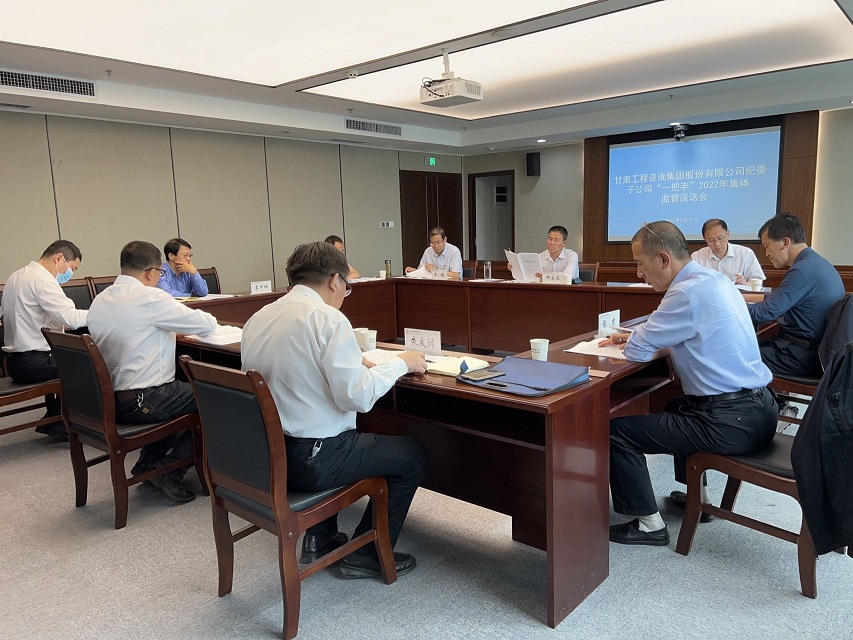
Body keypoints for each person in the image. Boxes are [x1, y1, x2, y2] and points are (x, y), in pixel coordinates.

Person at [242, 241, 429, 578]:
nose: (345, 293)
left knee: (330, 424)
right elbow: (359, 397)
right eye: (347, 286)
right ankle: (368, 554)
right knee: (412, 454)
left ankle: (320, 537)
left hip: (267, 458)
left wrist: (354, 362)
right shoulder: (329, 319)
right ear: (334, 280)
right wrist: (402, 363)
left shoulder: (258, 318)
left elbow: (297, 371)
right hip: (312, 461)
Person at [599, 221, 777, 546]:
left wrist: (636, 339)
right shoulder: (717, 280)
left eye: (640, 263)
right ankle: (699, 499)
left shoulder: (684, 292)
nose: (639, 273)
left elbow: (637, 351)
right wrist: (653, 339)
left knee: (615, 433)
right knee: (677, 406)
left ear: (663, 259)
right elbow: (698, 335)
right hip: (762, 409)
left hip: (728, 422)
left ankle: (649, 525)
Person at [87, 241, 218, 503]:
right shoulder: (151, 298)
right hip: (144, 399)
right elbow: (207, 324)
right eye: (159, 273)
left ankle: (148, 464)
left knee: (177, 391)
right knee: (217, 399)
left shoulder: (101, 299)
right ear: (150, 273)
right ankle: (171, 470)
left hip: (110, 400)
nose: (159, 277)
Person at [1, 240, 88, 440]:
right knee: (89, 364)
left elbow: (35, 317)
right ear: (59, 258)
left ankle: (55, 419)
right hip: (35, 363)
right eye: (72, 268)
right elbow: (72, 318)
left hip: (15, 362)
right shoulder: (44, 281)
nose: (70, 273)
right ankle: (66, 422)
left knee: (72, 358)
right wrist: (102, 313)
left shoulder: (16, 276)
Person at [747, 212, 845, 379]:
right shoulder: (817, 263)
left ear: (785, 242)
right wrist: (748, 299)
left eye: (767, 246)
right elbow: (782, 298)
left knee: (732, 357)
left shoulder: (802, 271)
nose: (766, 254)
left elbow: (764, 313)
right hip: (813, 351)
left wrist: (727, 303)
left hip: (799, 356)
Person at [691, 218, 765, 284]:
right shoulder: (697, 257)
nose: (717, 244)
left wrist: (745, 283)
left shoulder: (745, 254)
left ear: (727, 234)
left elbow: (758, 283)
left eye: (720, 238)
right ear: (704, 238)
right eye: (711, 240)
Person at [507, 225, 579, 280]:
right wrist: (515, 268)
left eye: (556, 240)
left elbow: (567, 276)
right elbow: (530, 276)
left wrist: (546, 275)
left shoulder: (572, 256)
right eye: (550, 239)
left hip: (568, 291)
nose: (551, 243)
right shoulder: (540, 256)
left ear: (564, 243)